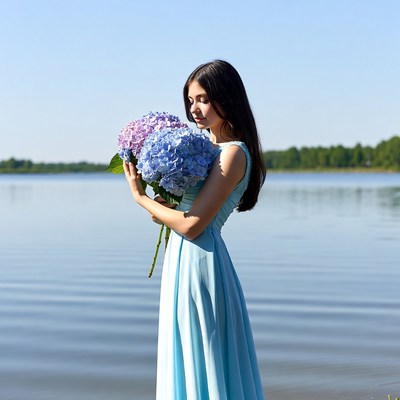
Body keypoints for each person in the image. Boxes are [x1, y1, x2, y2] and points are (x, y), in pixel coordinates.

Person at [123, 60, 266, 400]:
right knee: (186, 353)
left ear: (226, 98)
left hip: (202, 263)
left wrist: (140, 198)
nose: (194, 109)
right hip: (181, 261)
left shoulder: (232, 154)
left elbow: (193, 225)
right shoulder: (202, 149)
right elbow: (175, 217)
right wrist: (163, 200)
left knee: (207, 354)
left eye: (202, 99)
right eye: (190, 100)